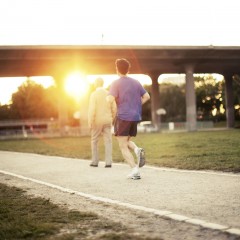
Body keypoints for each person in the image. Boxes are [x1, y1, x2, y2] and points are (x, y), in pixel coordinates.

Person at [107, 58, 150, 179]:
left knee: (122, 146)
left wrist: (108, 100)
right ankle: (137, 150)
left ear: (117, 69)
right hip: (135, 116)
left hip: (123, 116)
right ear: (128, 69)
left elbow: (110, 99)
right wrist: (136, 105)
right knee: (125, 142)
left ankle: (135, 170)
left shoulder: (116, 83)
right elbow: (147, 96)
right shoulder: (136, 82)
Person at [88, 77, 117, 168]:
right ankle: (108, 162)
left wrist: (90, 121)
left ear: (96, 84)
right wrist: (112, 117)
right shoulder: (109, 94)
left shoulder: (94, 95)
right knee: (108, 141)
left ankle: (95, 161)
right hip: (107, 120)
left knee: (94, 141)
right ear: (103, 84)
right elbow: (114, 108)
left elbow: (92, 109)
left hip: (97, 120)